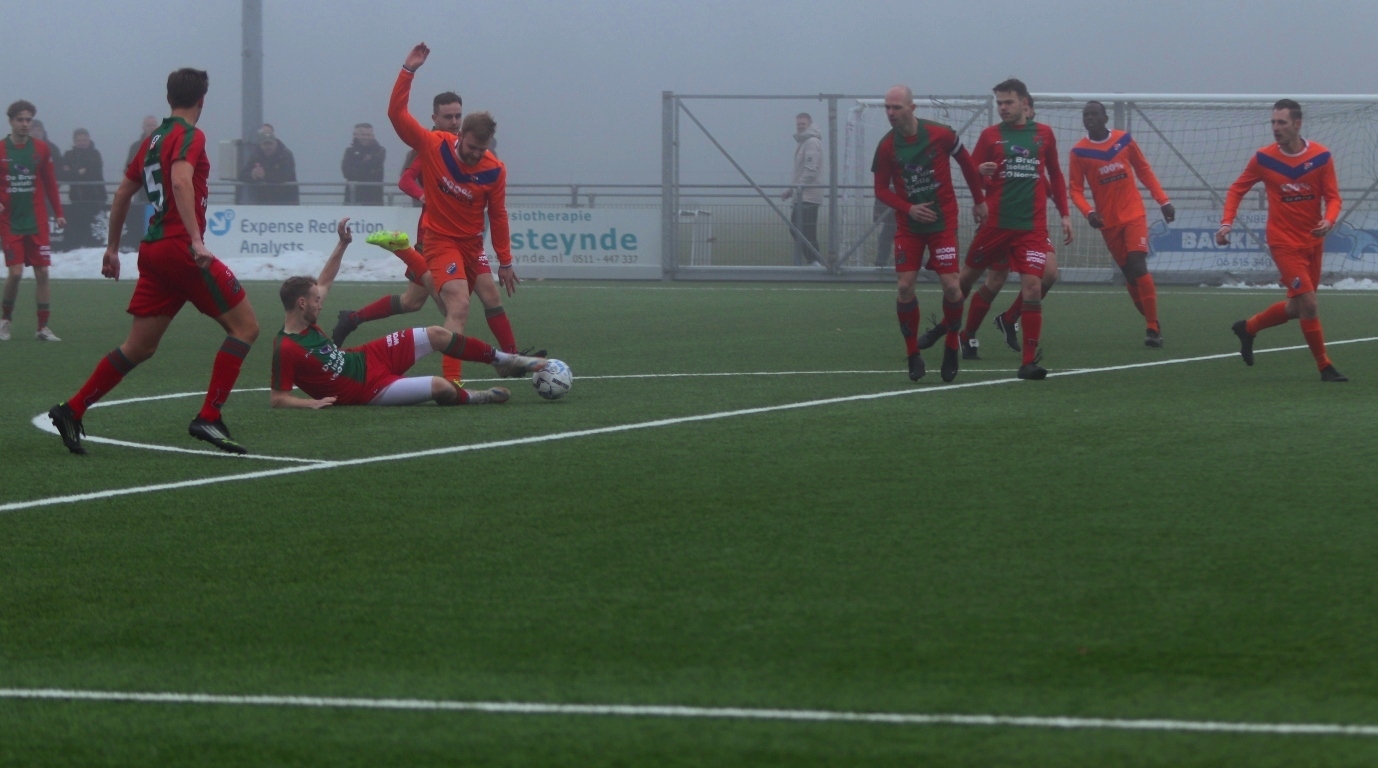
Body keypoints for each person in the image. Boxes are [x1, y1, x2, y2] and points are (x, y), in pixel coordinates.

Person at [48, 68, 261, 456]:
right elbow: (180, 180)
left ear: (168, 98)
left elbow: (122, 194)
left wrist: (112, 248)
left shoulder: (151, 141)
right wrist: (196, 240)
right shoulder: (190, 135)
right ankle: (209, 417)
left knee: (139, 347)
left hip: (154, 251)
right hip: (180, 249)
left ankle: (71, 409)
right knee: (245, 328)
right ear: (202, 100)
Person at [271, 217, 545, 409]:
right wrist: (311, 403)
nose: (321, 303)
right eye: (316, 300)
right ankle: (479, 396)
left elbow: (325, 281)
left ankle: (505, 360)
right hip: (368, 390)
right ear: (302, 304)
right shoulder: (286, 347)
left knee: (437, 333)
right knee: (441, 387)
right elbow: (278, 398)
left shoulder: (306, 315)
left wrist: (342, 244)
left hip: (367, 356)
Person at [388, 43, 528, 387]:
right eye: (471, 147)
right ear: (460, 135)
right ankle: (451, 383)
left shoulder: (494, 169)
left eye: (482, 149)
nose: (475, 155)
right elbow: (396, 115)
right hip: (440, 241)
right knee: (459, 305)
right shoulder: (433, 145)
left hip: (471, 244)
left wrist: (505, 261)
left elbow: (498, 216)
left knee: (491, 297)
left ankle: (509, 360)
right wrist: (408, 71)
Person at [1218, 99, 1346, 382]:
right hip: (1283, 243)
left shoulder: (1321, 157)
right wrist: (1226, 223)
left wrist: (1328, 220)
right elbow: (1236, 189)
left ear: (1297, 124)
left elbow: (1334, 197)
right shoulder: (1263, 159)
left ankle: (1248, 328)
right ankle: (1325, 366)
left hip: (1313, 243)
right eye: (1273, 122)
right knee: (1309, 305)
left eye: (1282, 122)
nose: (1275, 128)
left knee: (1296, 308)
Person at [872, 84, 987, 383]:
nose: (890, 113)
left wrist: (979, 200)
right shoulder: (887, 146)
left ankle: (951, 347)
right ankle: (913, 354)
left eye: (896, 107)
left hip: (942, 223)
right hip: (909, 227)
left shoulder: (940, 134)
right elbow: (880, 190)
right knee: (904, 287)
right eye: (887, 107)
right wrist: (908, 208)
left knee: (952, 287)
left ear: (912, 108)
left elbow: (967, 164)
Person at [958, 79, 1070, 380]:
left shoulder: (1042, 135)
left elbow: (1052, 177)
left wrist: (1065, 213)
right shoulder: (991, 136)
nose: (1003, 108)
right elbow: (975, 175)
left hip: (1031, 226)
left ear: (1026, 104)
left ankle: (1027, 358)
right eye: (1000, 103)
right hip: (996, 224)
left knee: (1042, 279)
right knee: (981, 279)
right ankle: (963, 332)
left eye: (1008, 102)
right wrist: (980, 181)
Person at [1069, 101, 1175, 347]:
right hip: (1108, 222)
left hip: (1134, 214)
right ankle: (1152, 321)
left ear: (1105, 118)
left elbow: (1144, 170)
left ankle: (1151, 329)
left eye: (1094, 114)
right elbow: (1075, 190)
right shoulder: (1079, 152)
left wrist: (1164, 201)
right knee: (1129, 274)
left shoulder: (1124, 140)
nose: (1089, 118)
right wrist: (1089, 212)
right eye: (1086, 115)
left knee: (1138, 264)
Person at [0, 100, 66, 341]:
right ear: (11, 121)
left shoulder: (41, 149)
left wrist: (59, 213)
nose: (25, 124)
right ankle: (5, 320)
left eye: (28, 119)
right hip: (10, 222)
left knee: (43, 273)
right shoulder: (1, 150)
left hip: (37, 222)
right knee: (15, 273)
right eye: (20, 119)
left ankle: (42, 328)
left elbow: (50, 183)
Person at [782, 112, 823, 266]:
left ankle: (815, 262)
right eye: (798, 124)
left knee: (803, 230)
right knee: (802, 229)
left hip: (809, 195)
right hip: (802, 194)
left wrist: (798, 188)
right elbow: (800, 172)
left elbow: (810, 169)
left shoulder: (811, 142)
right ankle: (814, 261)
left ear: (809, 124)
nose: (800, 127)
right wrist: (791, 190)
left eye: (803, 124)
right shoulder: (804, 142)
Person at [61, 129, 108, 249]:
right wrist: (78, 172)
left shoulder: (95, 154)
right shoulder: (69, 155)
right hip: (76, 197)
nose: (82, 143)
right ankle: (77, 247)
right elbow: (64, 175)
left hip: (95, 197)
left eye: (84, 140)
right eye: (79, 140)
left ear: (89, 140)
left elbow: (93, 173)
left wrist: (73, 172)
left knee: (93, 227)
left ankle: (94, 249)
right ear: (74, 141)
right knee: (77, 225)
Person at [238, 124, 299, 204]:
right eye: (265, 144)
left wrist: (264, 175)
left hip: (286, 201)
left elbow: (284, 175)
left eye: (270, 144)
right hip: (263, 202)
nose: (268, 147)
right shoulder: (256, 155)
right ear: (260, 145)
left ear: (275, 143)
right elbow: (242, 175)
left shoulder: (285, 155)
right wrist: (253, 175)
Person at [123, 115, 158, 248]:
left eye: (153, 125)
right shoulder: (136, 146)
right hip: (141, 188)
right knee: (143, 217)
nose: (151, 128)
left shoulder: (164, 143)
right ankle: (142, 243)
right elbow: (128, 166)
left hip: (160, 187)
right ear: (143, 127)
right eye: (149, 125)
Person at [341, 123, 385, 205]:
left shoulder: (380, 151)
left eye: (368, 135)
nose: (366, 137)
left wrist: (357, 167)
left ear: (373, 136)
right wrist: (368, 168)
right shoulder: (349, 151)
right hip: (352, 198)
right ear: (359, 136)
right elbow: (346, 172)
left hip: (374, 198)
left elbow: (375, 164)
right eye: (363, 135)